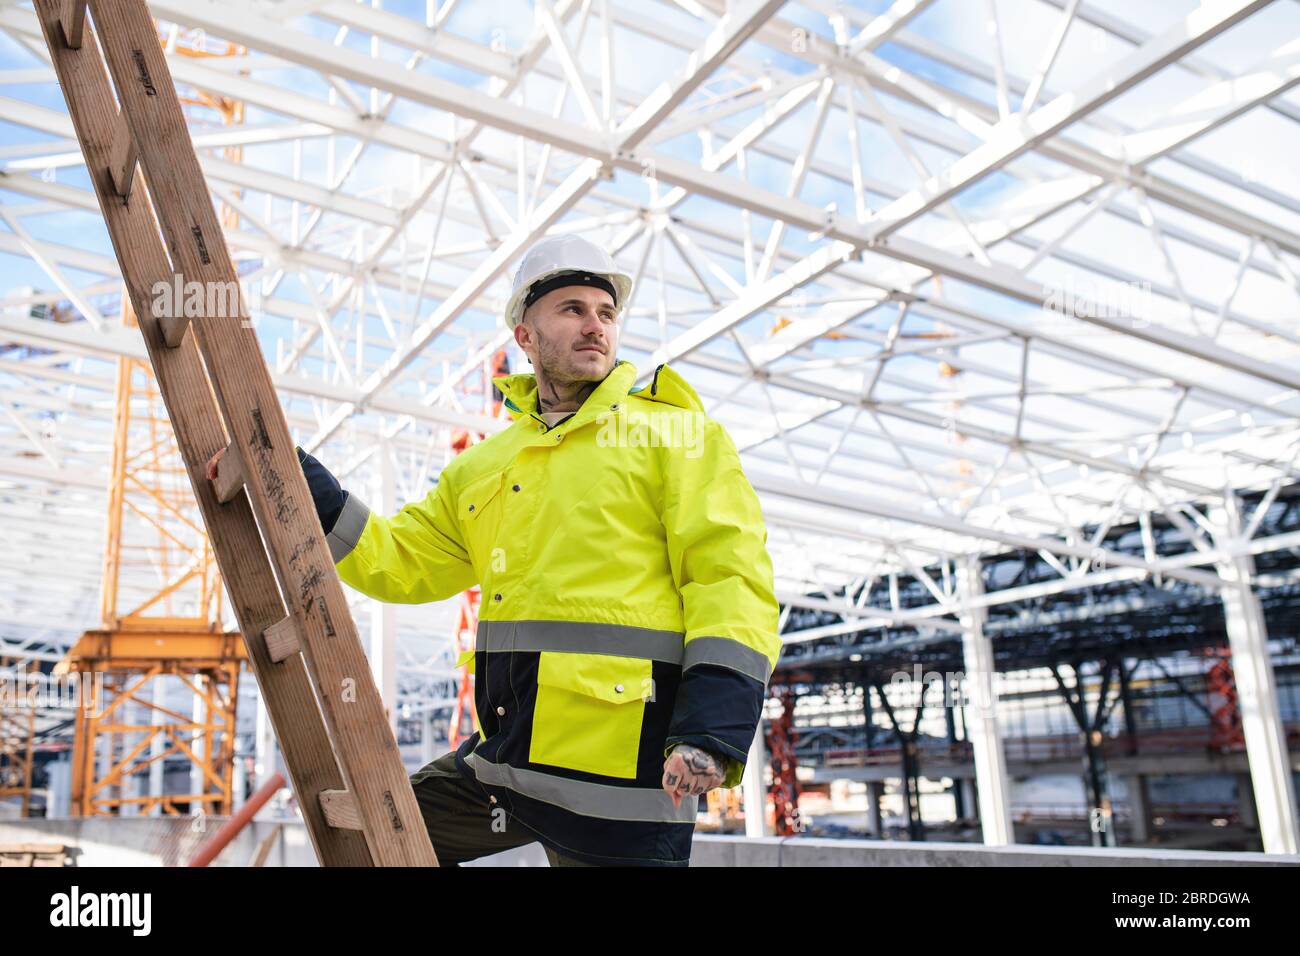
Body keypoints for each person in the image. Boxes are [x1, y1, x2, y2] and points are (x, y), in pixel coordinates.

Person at [208, 234, 781, 866]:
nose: (596, 326)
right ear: (525, 337)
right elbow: (399, 560)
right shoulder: (487, 466)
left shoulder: (677, 437)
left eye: (606, 313)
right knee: (373, 837)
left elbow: (729, 581)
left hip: (621, 786)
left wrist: (710, 732)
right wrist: (292, 476)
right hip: (505, 768)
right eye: (573, 309)